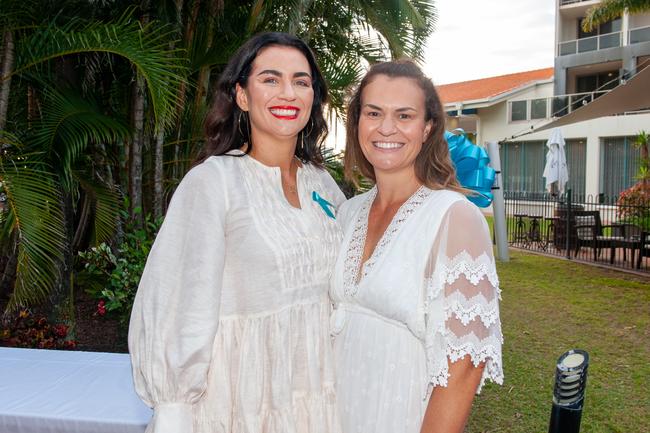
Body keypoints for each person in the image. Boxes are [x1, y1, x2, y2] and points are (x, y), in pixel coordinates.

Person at [128, 32, 345, 433]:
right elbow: (181, 305)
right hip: (240, 405)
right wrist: (174, 411)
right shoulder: (213, 183)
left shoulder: (323, 184)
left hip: (319, 398)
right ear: (242, 96)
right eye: (270, 79)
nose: (288, 93)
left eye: (301, 81)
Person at [330, 60, 503, 433]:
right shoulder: (348, 213)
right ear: (357, 121)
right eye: (373, 112)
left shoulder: (455, 218)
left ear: (427, 129)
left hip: (400, 416)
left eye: (404, 115)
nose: (386, 128)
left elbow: (463, 369)